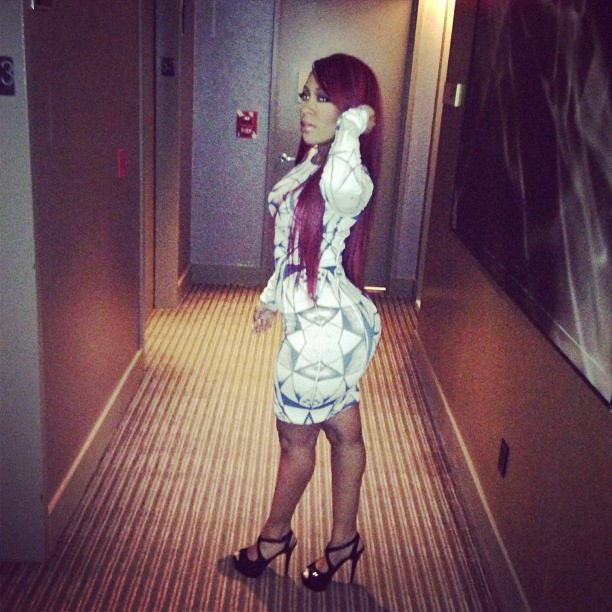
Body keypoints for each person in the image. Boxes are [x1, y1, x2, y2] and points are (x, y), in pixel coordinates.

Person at [233, 53, 382, 592]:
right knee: (344, 431)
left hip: (322, 335)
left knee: (295, 443)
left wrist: (352, 126)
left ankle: (274, 537)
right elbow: (294, 251)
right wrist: (272, 296)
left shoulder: (348, 176)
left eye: (323, 97)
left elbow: (341, 185)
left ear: (350, 109)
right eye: (305, 94)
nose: (306, 107)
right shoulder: (316, 163)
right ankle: (344, 542)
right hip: (323, 321)